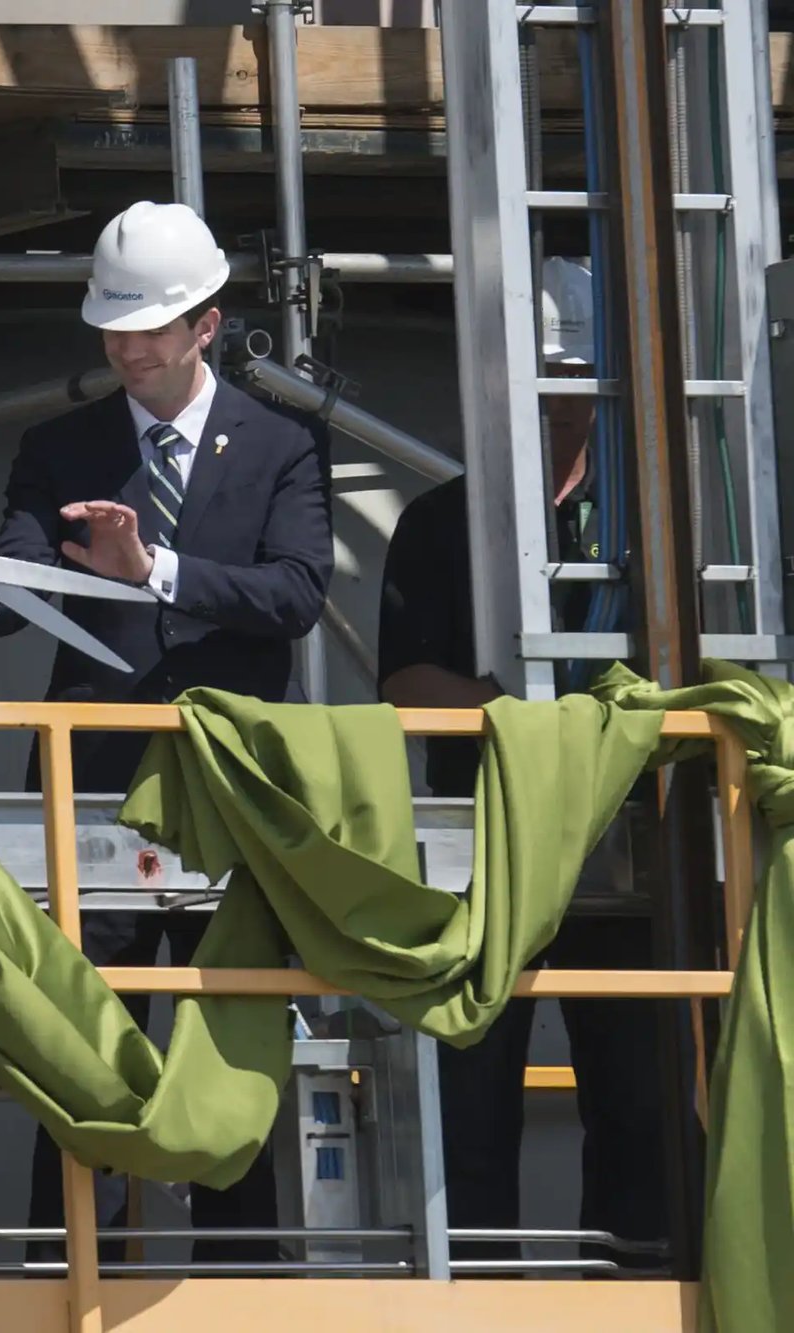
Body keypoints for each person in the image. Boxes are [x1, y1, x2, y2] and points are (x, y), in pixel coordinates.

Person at [0, 201, 334, 1263]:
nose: (124, 346)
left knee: (227, 1058)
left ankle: (239, 1290)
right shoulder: (59, 446)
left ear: (205, 323)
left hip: (224, 800)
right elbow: (19, 570)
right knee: (78, 1056)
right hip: (90, 799)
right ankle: (69, 1278)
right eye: (112, 326)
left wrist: (152, 570)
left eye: (146, 325)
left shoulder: (282, 448)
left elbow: (296, 593)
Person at [377, 258, 666, 1265]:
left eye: (571, 379)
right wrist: (526, 721)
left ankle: (632, 1288)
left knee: (640, 1099)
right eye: (540, 381)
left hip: (629, 849)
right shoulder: (437, 525)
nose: (557, 404)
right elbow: (404, 684)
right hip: (481, 852)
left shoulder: (652, 530)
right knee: (469, 1108)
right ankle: (475, 1289)